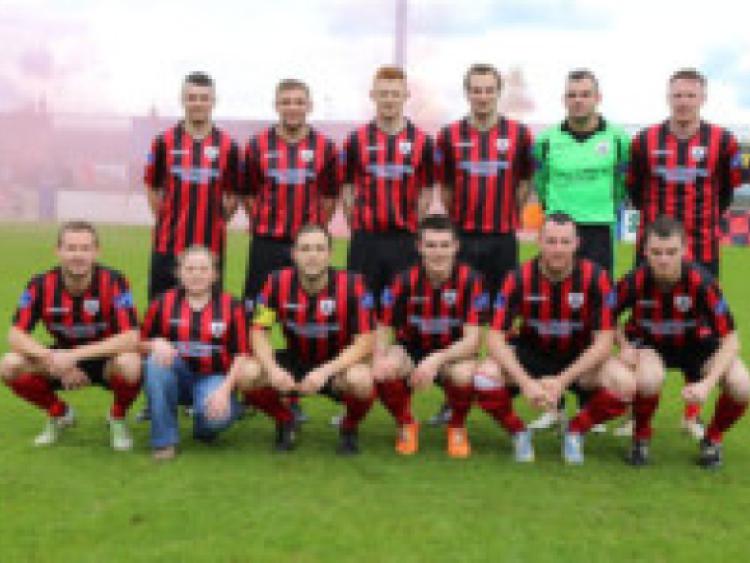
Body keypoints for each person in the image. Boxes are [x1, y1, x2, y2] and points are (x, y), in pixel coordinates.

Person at [627, 67, 742, 432]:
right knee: (641, 325)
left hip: (702, 250)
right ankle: (637, 412)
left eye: (690, 95)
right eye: (677, 94)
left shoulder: (723, 142)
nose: (683, 102)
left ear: (702, 99)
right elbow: (635, 190)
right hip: (653, 248)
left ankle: (692, 413)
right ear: (668, 97)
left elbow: (726, 191)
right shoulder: (645, 141)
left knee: (701, 331)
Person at [480, 212, 635, 464]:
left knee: (625, 384)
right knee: (484, 378)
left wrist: (562, 381)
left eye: (565, 242)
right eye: (551, 241)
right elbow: (495, 337)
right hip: (532, 354)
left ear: (576, 243)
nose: (558, 249)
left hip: (578, 359)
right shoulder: (518, 278)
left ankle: (575, 430)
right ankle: (519, 432)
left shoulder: (596, 278)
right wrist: (526, 382)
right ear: (539, 241)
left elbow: (604, 341)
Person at [431, 63, 534, 426]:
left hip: (501, 240)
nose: (483, 96)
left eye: (489, 89)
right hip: (464, 240)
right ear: (467, 93)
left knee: (501, 320)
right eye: (476, 89)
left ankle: (496, 391)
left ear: (498, 92)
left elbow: (524, 183)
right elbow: (444, 188)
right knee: (459, 321)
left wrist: (510, 213)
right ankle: (453, 399)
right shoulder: (449, 136)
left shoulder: (519, 135)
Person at [529, 69, 630, 432]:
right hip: (558, 231)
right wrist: (557, 219)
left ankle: (590, 403)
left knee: (595, 318)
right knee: (552, 315)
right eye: (572, 94)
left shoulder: (618, 138)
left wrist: (602, 211)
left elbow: (622, 183)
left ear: (597, 98)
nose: (578, 100)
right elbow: (541, 183)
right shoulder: (546, 141)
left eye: (585, 93)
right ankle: (552, 404)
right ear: (564, 99)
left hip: (598, 230)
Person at [242, 78, 340, 425]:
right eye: (286, 101)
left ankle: (305, 386)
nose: (292, 107)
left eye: (299, 101)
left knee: (309, 316)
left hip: (309, 246)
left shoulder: (326, 149)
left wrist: (311, 233)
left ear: (309, 106)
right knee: (259, 318)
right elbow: (249, 194)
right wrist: (266, 223)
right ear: (276, 105)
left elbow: (330, 198)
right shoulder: (257, 146)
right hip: (267, 244)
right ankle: (261, 389)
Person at [614, 216, 749, 468]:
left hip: (699, 347)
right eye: (656, 252)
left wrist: (707, 384)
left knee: (742, 385)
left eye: (671, 252)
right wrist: (624, 346)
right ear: (645, 251)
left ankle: (712, 439)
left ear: (684, 250)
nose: (663, 259)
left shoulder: (703, 282)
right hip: (651, 346)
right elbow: (605, 316)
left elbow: (731, 339)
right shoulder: (634, 280)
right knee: (648, 379)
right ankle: (640, 438)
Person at [0, 221, 141, 450]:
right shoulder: (40, 284)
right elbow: (16, 335)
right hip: (57, 358)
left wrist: (73, 356)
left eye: (85, 248)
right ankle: (59, 413)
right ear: (58, 251)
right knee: (8, 365)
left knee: (132, 364)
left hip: (104, 359)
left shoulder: (114, 281)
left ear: (97, 251)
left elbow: (131, 337)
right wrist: (51, 358)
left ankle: (117, 417)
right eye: (71, 248)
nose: (78, 255)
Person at [240, 224, 377, 454]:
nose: (312, 255)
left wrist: (325, 371)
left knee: (361, 380)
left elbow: (366, 340)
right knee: (247, 374)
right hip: (296, 359)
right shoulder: (276, 282)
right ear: (294, 254)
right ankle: (286, 420)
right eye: (305, 249)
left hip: (337, 364)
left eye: (319, 248)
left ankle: (349, 427)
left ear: (329, 254)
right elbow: (258, 330)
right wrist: (273, 369)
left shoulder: (354, 285)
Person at [373, 215, 488, 458]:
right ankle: (406, 423)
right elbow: (383, 328)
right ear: (419, 247)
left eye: (445, 245)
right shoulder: (403, 281)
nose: (438, 252)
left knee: (465, 374)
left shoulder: (472, 280)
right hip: (410, 347)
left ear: (456, 247)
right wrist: (379, 355)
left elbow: (473, 340)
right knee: (382, 369)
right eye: (431, 245)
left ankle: (457, 426)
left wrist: (435, 359)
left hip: (453, 351)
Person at [141, 246, 252, 460]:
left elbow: (241, 354)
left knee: (217, 420)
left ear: (214, 274)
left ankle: (204, 426)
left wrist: (224, 391)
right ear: (179, 273)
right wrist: (155, 343)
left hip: (214, 376)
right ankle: (164, 441)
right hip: (176, 376)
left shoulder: (232, 306)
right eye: (190, 269)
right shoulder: (162, 302)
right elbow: (138, 341)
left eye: (203, 269)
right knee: (155, 362)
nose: (196, 274)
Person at [143, 71, 241, 300]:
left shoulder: (228, 146)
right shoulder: (163, 142)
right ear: (183, 99)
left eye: (204, 98)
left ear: (213, 102)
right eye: (192, 97)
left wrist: (217, 220)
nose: (198, 103)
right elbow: (152, 186)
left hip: (211, 246)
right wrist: (166, 217)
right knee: (160, 313)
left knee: (208, 314)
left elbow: (233, 195)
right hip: (168, 243)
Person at [341, 65, 435, 298]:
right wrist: (356, 223)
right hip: (366, 241)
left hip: (405, 240)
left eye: (395, 94)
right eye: (383, 93)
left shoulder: (423, 142)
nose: (389, 100)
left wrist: (416, 222)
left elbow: (426, 190)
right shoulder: (356, 139)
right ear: (373, 95)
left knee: (403, 312)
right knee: (361, 311)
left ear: (406, 96)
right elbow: (347, 188)